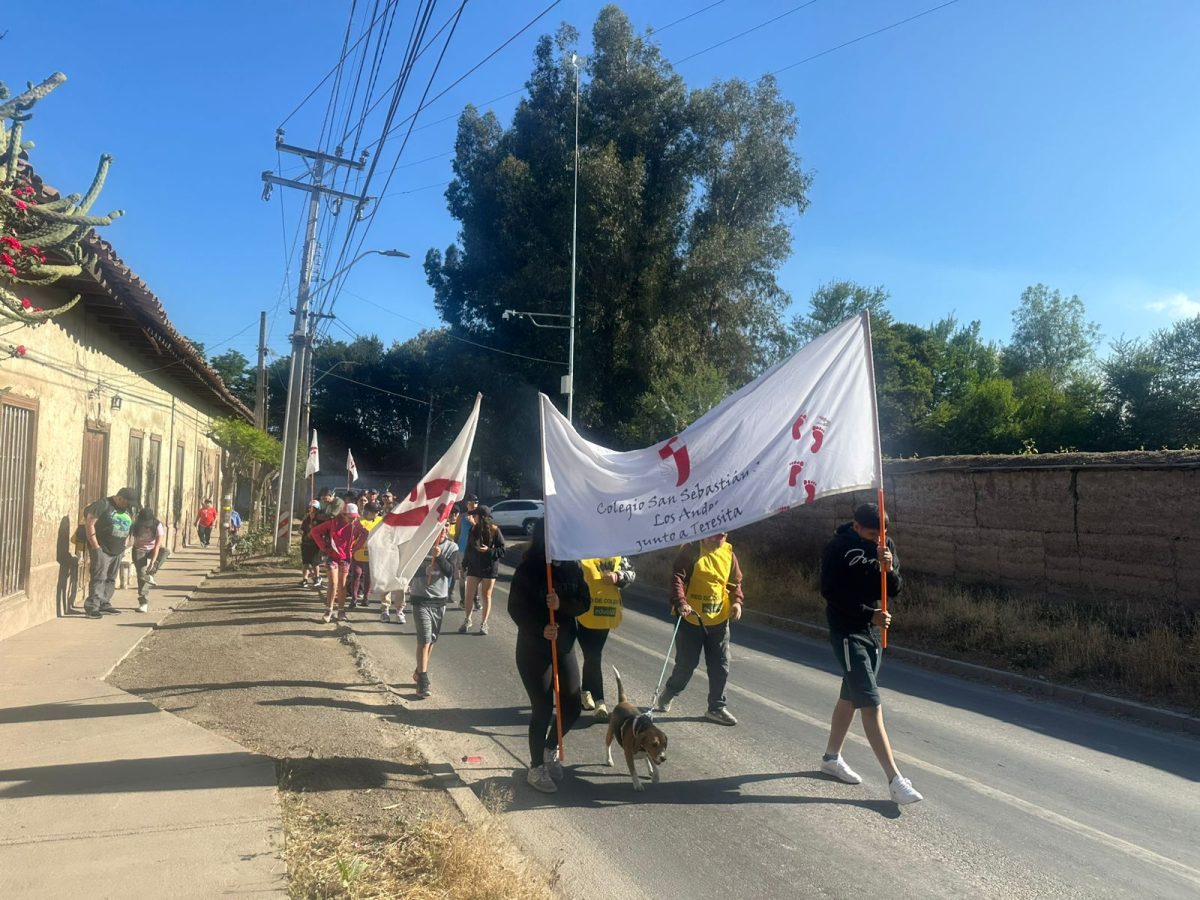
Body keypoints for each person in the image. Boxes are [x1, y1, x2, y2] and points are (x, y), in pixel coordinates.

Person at [819, 503, 923, 805]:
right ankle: (895, 780)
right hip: (847, 631)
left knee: (851, 695)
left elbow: (894, 589)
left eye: (882, 533)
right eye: (871, 534)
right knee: (869, 701)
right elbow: (830, 592)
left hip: (874, 631)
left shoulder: (885, 545)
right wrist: (868, 613)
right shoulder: (838, 547)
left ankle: (831, 759)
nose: (878, 539)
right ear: (856, 526)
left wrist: (889, 568)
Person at [508, 520, 590, 793]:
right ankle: (535, 768)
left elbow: (584, 602)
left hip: (563, 645)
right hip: (533, 648)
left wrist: (561, 604)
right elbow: (515, 608)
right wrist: (540, 628)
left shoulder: (572, 567)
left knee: (572, 705)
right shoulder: (528, 569)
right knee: (542, 708)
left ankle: (549, 748)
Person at [652, 531, 743, 726]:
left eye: (718, 536)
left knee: (720, 665)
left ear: (725, 536)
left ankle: (716, 708)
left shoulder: (728, 553)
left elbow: (735, 582)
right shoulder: (691, 549)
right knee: (686, 665)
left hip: (719, 619)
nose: (711, 538)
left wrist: (737, 602)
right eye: (709, 535)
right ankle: (669, 693)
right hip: (690, 619)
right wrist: (681, 602)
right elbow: (677, 577)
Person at [577, 556, 637, 721]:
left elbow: (631, 573)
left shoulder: (616, 551)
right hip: (581, 612)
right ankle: (599, 700)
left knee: (592, 656)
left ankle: (586, 693)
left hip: (605, 612)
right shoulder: (579, 550)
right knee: (592, 656)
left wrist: (617, 577)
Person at [408, 523, 460, 699]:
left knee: (431, 641)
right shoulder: (420, 544)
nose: (443, 530)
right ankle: (423, 681)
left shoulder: (452, 547)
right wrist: (425, 570)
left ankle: (419, 671)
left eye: (446, 526)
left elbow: (450, 571)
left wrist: (439, 557)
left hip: (439, 600)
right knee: (424, 639)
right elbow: (409, 569)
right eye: (440, 526)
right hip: (420, 598)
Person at [81, 487, 138, 618]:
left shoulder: (127, 509)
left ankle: (104, 602)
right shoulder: (103, 504)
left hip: (118, 549)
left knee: (111, 578)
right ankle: (92, 606)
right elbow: (90, 523)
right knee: (99, 577)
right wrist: (95, 546)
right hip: (102, 548)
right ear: (120, 498)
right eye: (128, 502)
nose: (129, 506)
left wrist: (124, 545)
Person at [309, 498, 360, 623]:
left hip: (345, 559)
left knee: (342, 585)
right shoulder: (333, 523)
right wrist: (324, 547)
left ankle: (341, 611)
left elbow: (366, 533)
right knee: (333, 583)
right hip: (332, 557)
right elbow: (315, 532)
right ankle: (329, 610)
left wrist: (356, 547)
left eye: (355, 517)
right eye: (350, 517)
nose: (353, 519)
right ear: (344, 515)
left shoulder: (356, 525)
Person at [459, 504, 505, 635]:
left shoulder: (495, 530)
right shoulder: (473, 529)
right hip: (474, 566)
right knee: (469, 594)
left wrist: (489, 551)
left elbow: (502, 550)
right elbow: (468, 548)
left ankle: (484, 624)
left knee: (486, 595)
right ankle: (467, 620)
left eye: (476, 515)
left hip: (489, 568)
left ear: (482, 517)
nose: (474, 517)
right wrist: (464, 564)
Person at [130, 507, 165, 614]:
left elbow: (158, 546)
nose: (146, 526)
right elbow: (128, 538)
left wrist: (152, 563)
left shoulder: (157, 525)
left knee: (165, 551)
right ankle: (143, 602)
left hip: (152, 549)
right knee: (141, 576)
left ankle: (151, 574)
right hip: (139, 550)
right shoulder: (135, 524)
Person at [352, 502, 381, 609]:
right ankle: (354, 598)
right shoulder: (358, 522)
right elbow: (353, 536)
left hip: (372, 553)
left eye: (378, 512)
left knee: (368, 576)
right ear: (368, 512)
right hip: (358, 552)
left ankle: (366, 598)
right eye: (375, 512)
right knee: (356, 574)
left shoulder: (381, 521)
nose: (377, 514)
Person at [455, 496, 479, 610]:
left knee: (475, 576)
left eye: (476, 502)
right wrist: (454, 547)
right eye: (471, 502)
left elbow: (483, 532)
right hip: (462, 550)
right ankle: (463, 600)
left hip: (475, 551)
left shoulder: (480, 517)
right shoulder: (461, 517)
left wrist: (474, 523)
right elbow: (457, 533)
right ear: (467, 504)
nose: (473, 505)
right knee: (463, 576)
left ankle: (476, 598)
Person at [299, 500, 324, 588]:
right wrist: (303, 533)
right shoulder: (306, 518)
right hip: (305, 543)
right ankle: (304, 579)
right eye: (310, 508)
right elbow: (301, 529)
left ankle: (317, 578)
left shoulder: (320, 520)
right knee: (305, 563)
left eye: (314, 509)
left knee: (315, 563)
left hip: (315, 545)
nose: (312, 510)